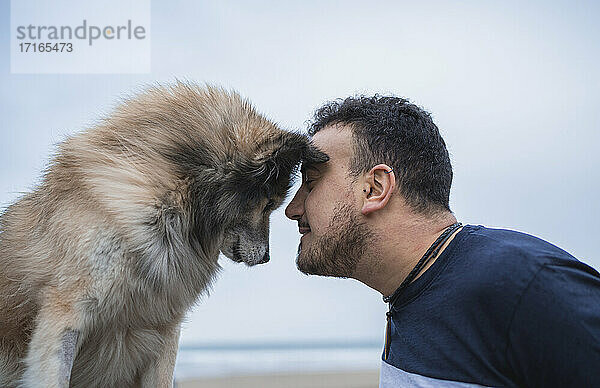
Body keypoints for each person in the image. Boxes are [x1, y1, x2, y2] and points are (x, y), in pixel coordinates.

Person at [284, 95, 600, 387]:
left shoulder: (523, 284)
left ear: (375, 188)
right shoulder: (408, 297)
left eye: (310, 183)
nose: (292, 208)